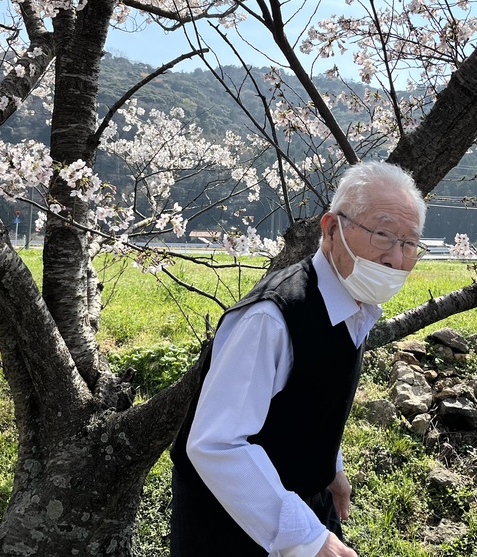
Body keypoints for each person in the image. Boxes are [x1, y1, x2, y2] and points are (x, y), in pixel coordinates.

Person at [170, 161, 427, 557]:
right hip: (232, 525)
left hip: (305, 497)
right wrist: (307, 538)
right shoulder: (271, 319)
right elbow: (216, 444)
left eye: (409, 243)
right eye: (383, 233)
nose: (396, 257)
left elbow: (311, 398)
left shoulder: (353, 305)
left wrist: (330, 468)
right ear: (330, 230)